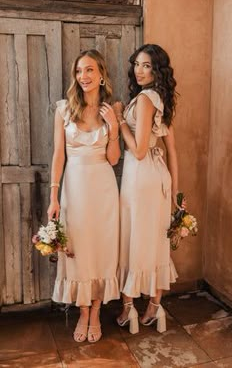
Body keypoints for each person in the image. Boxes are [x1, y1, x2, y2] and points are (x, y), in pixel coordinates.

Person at [47, 49, 121, 343]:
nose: (83, 77)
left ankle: (96, 311)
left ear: (101, 74)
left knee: (101, 249)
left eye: (89, 70)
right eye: (79, 71)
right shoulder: (64, 109)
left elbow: (114, 160)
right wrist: (54, 197)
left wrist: (113, 128)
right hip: (74, 190)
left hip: (103, 188)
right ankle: (82, 311)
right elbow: (58, 156)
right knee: (76, 250)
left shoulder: (110, 109)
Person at [116, 44, 180, 334]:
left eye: (147, 66)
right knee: (155, 239)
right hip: (158, 177)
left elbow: (139, 151)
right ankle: (155, 306)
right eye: (137, 65)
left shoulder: (144, 99)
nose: (139, 71)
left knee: (134, 238)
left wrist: (119, 123)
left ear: (157, 71)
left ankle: (128, 307)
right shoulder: (160, 98)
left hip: (140, 175)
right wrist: (175, 196)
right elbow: (172, 151)